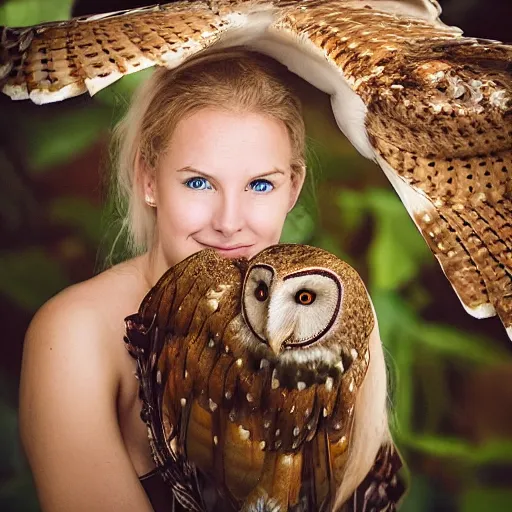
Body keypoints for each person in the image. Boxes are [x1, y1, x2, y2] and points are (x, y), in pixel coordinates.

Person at [19, 48, 391, 511]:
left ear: (293, 187)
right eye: (199, 183)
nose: (229, 222)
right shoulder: (77, 333)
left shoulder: (328, 310)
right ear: (149, 179)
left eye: (260, 185)